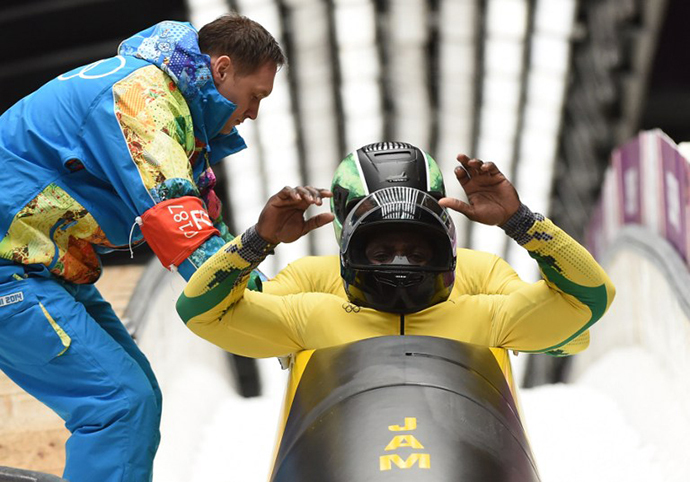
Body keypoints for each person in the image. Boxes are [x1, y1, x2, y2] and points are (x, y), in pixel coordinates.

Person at [0, 14, 285, 482]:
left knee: (139, 398)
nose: (253, 113)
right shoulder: (140, 100)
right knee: (118, 403)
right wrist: (284, 318)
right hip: (13, 267)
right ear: (222, 70)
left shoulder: (173, 109)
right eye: (255, 96)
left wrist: (266, 280)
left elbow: (205, 218)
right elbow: (186, 234)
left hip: (46, 267)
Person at [176, 142, 615, 364]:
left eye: (417, 250)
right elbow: (204, 310)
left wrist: (519, 220)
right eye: (382, 249)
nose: (401, 265)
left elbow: (577, 326)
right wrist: (257, 240)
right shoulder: (308, 304)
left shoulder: (486, 306)